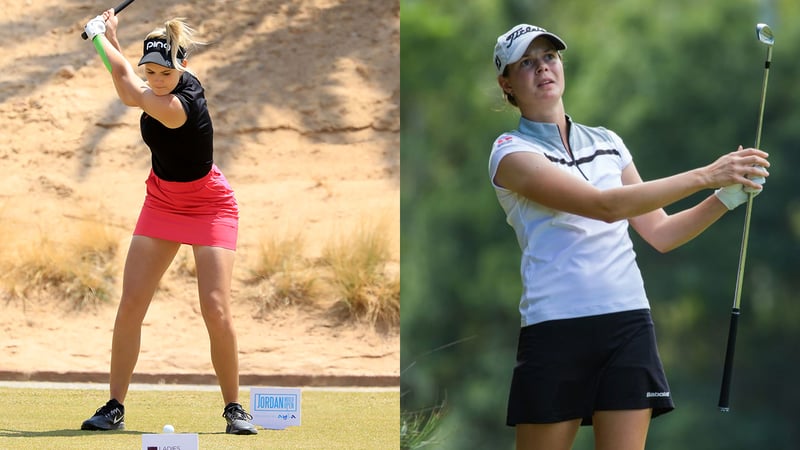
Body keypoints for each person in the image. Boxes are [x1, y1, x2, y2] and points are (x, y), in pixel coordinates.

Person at [488, 24, 769, 450]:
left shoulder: (608, 143)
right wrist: (706, 174)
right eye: (527, 62)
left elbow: (661, 232)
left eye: (550, 57)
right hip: (557, 329)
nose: (543, 68)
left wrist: (724, 198)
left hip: (627, 323)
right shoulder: (510, 152)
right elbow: (606, 207)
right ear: (507, 83)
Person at [79, 10, 257, 435]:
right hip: (161, 200)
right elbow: (128, 83)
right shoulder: (156, 88)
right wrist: (111, 38)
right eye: (151, 71)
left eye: (166, 71)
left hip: (210, 206)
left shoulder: (181, 104)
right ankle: (114, 407)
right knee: (131, 305)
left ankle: (235, 409)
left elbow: (128, 88)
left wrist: (98, 39)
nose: (157, 79)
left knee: (215, 308)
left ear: (184, 68)